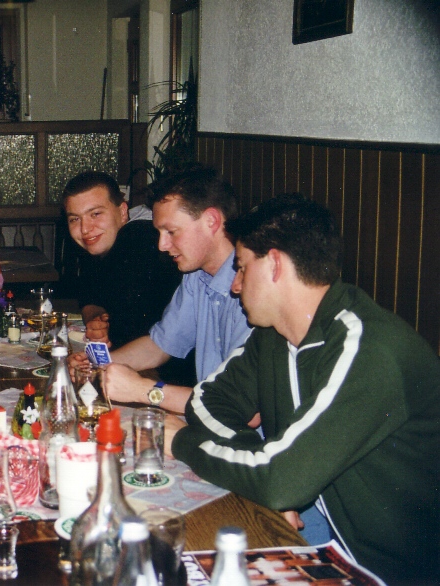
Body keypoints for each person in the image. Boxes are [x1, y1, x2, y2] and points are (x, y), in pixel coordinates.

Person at [166, 194, 440, 585]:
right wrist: (263, 474)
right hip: (321, 536)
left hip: (390, 570)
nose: (235, 286)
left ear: (275, 264)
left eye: (241, 267)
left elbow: (279, 481)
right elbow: (208, 402)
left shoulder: (370, 348)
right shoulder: (273, 336)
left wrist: (182, 442)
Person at [98, 167, 252, 416]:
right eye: (160, 233)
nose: (162, 245)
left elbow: (240, 408)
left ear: (211, 221)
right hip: (208, 423)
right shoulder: (196, 276)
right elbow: (160, 344)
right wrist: (97, 364)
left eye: (171, 231)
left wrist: (143, 389)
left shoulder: (253, 289)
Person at [62, 171, 180, 351]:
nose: (85, 229)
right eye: (75, 219)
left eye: (95, 214)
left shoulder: (138, 238)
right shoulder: (102, 242)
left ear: (123, 212)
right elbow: (89, 295)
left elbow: (130, 332)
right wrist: (96, 318)